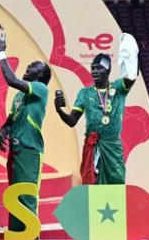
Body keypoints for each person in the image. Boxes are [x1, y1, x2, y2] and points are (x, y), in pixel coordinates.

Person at [54, 38, 138, 185]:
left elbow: (131, 76)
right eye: (93, 68)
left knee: (116, 181)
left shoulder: (118, 88)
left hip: (112, 146)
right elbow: (72, 121)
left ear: (107, 70)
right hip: (92, 145)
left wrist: (130, 53)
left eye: (99, 68)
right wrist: (59, 110)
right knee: (91, 183)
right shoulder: (85, 93)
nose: (94, 71)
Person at [0, 35, 51, 233]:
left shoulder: (41, 89)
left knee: (26, 195)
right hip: (16, 150)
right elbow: (13, 117)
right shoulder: (20, 96)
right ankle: (17, 236)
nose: (28, 67)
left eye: (33, 67)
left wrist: (1, 52)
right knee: (15, 196)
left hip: (30, 150)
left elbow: (11, 80)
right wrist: (4, 129)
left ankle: (31, 237)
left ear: (40, 74)